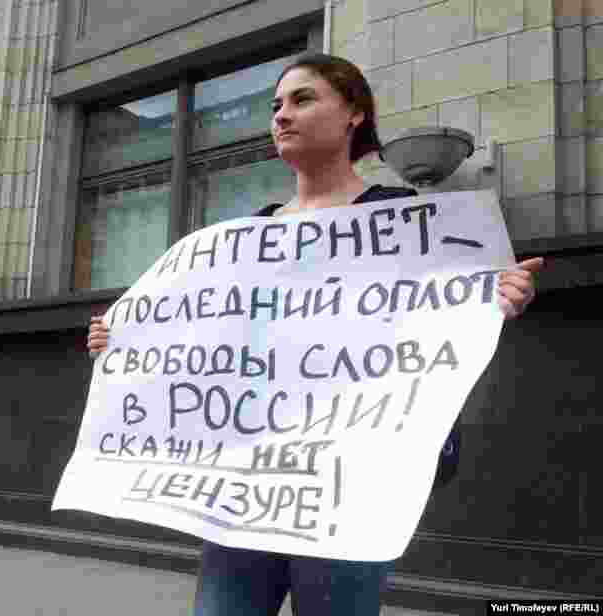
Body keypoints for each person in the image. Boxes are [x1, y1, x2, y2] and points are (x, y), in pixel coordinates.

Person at [85, 53, 544, 615]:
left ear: (354, 113)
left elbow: (440, 319)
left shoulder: (400, 218)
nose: (281, 115)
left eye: (302, 99)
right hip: (246, 479)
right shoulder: (251, 233)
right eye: (275, 104)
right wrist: (127, 342)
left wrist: (497, 297)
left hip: (349, 484)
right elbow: (212, 337)